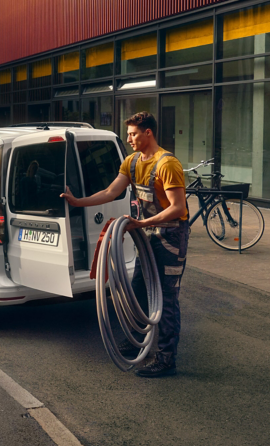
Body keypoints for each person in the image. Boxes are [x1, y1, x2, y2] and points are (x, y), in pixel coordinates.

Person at [61, 111, 189, 378]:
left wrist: (142, 224)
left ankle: (166, 359)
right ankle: (137, 345)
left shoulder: (168, 164)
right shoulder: (131, 162)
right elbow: (110, 192)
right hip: (147, 236)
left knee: (165, 299)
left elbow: (178, 208)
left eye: (132, 134)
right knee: (138, 290)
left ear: (148, 133)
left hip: (170, 238)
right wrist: (78, 202)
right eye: (128, 133)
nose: (128, 138)